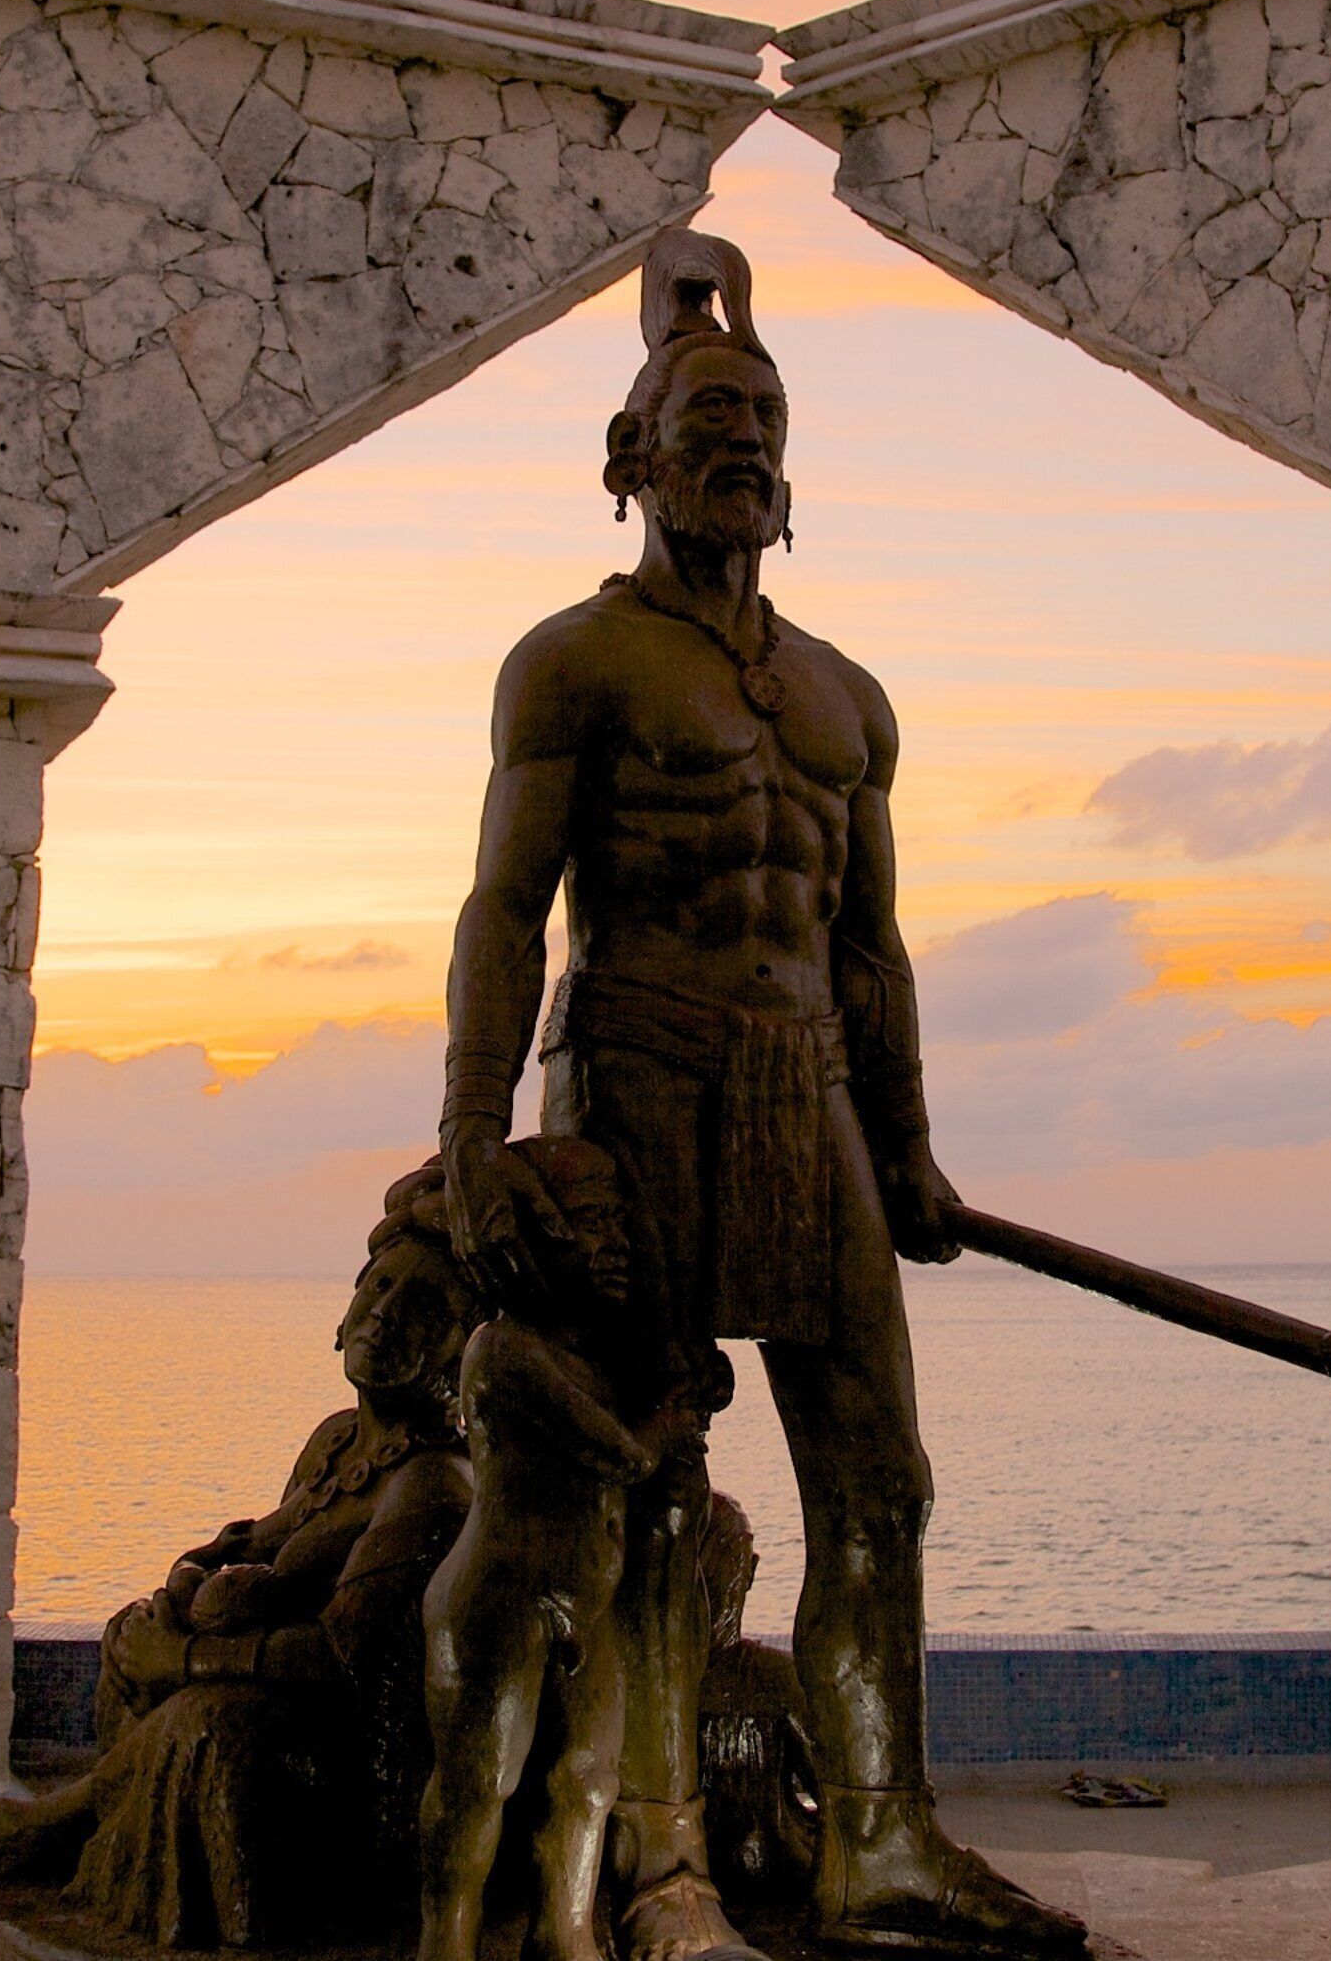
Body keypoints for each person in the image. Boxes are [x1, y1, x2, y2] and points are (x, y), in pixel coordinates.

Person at [438, 230, 1082, 1961]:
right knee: (654, 1484)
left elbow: (872, 944)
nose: (745, 446)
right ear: (631, 457)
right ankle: (662, 1873)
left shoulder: (848, 698)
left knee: (880, 1478)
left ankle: (883, 1842)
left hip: (812, 1091)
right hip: (634, 1076)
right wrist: (473, 1141)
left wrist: (912, 1146)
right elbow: (504, 910)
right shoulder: (573, 661)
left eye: (766, 422)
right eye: (711, 417)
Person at [0, 1165, 482, 1946]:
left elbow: (346, 1663)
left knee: (211, 1716)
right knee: (131, 1632)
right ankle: (101, 1840)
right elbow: (252, 1542)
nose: (386, 1315)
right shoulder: (338, 1442)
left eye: (425, 1307)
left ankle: (64, 1822)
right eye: (379, 1287)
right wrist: (183, 1587)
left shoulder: (432, 1485)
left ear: (465, 1352)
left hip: (362, 1767)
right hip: (293, 1702)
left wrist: (184, 1659)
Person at [415, 1136, 711, 1961]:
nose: (614, 1246)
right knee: (480, 1785)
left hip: (585, 1604)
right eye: (590, 1224)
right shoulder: (505, 1351)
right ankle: (447, 1942)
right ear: (531, 1231)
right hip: (499, 1602)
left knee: (587, 1778)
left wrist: (685, 1384)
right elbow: (621, 1454)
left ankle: (565, 1936)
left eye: (616, 1224)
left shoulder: (592, 1353)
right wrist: (668, 1421)